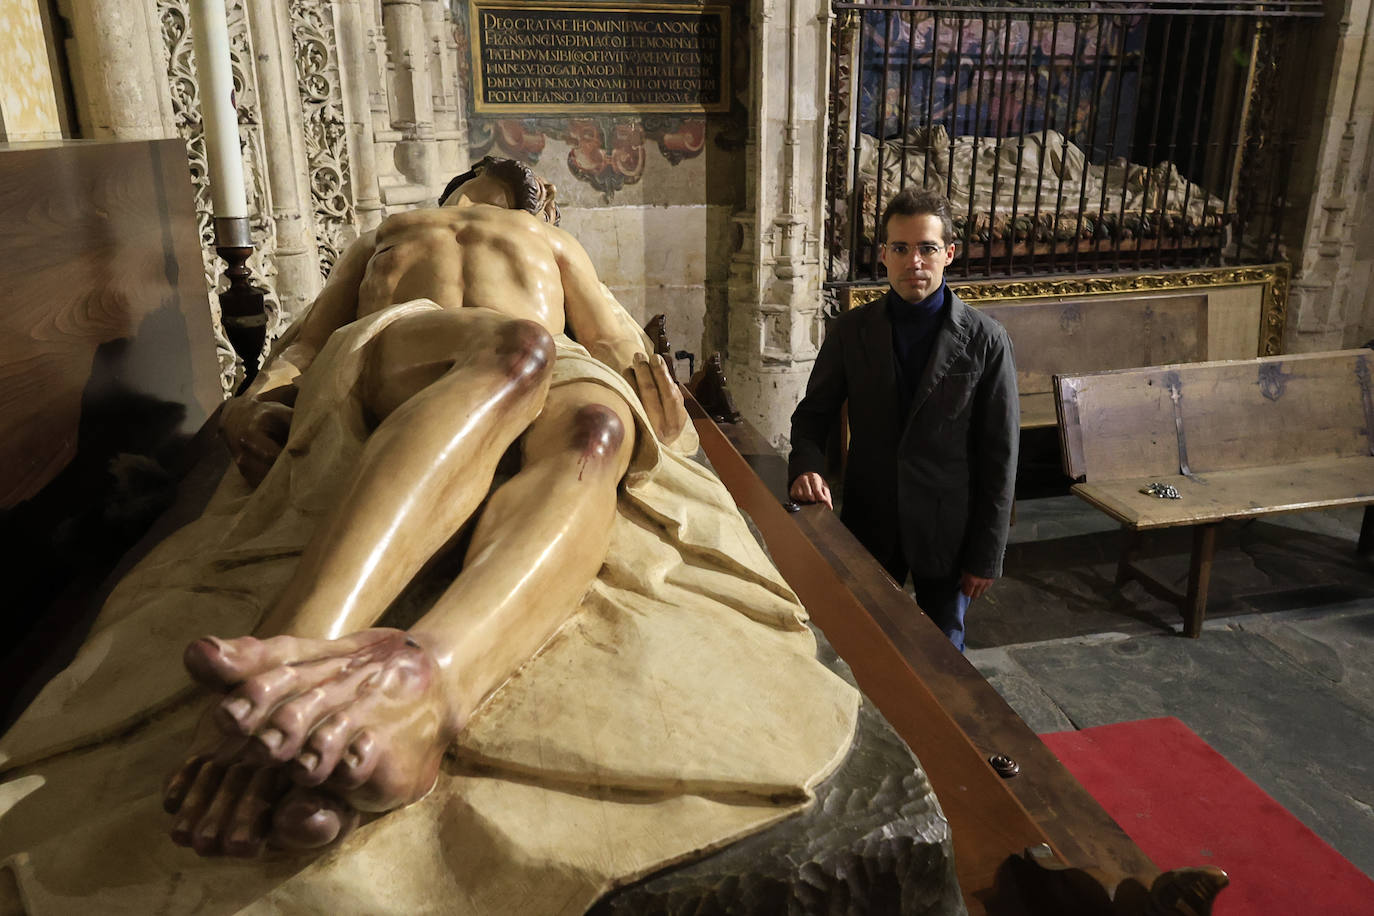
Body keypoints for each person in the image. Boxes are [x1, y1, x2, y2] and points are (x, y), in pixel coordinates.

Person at [0, 157, 857, 912]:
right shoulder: (391, 231)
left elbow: (608, 335)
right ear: (458, 187)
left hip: (558, 360)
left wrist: (652, 395)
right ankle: (286, 656)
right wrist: (258, 403)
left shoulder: (551, 240)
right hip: (409, 347)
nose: (510, 187)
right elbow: (305, 341)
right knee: (515, 351)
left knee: (598, 433)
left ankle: (427, 681)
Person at [788, 188, 1018, 651]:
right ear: (883, 255)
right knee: (867, 649)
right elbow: (812, 416)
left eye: (927, 248)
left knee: (944, 660)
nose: (914, 261)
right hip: (871, 522)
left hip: (948, 532)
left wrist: (986, 555)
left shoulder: (986, 340)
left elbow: (1000, 456)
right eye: (901, 248)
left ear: (948, 253)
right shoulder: (852, 331)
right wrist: (806, 468)